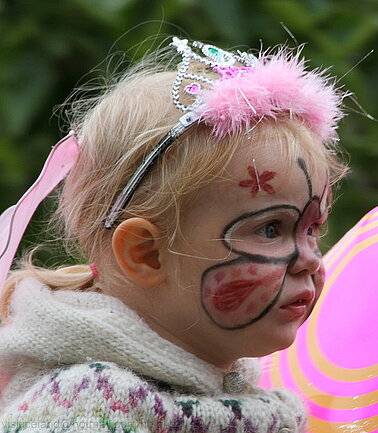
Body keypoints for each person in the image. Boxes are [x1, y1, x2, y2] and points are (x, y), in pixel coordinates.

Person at [0, 36, 347, 432]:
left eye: (312, 229)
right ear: (146, 253)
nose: (310, 260)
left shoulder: (255, 404)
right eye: (271, 229)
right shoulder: (86, 408)